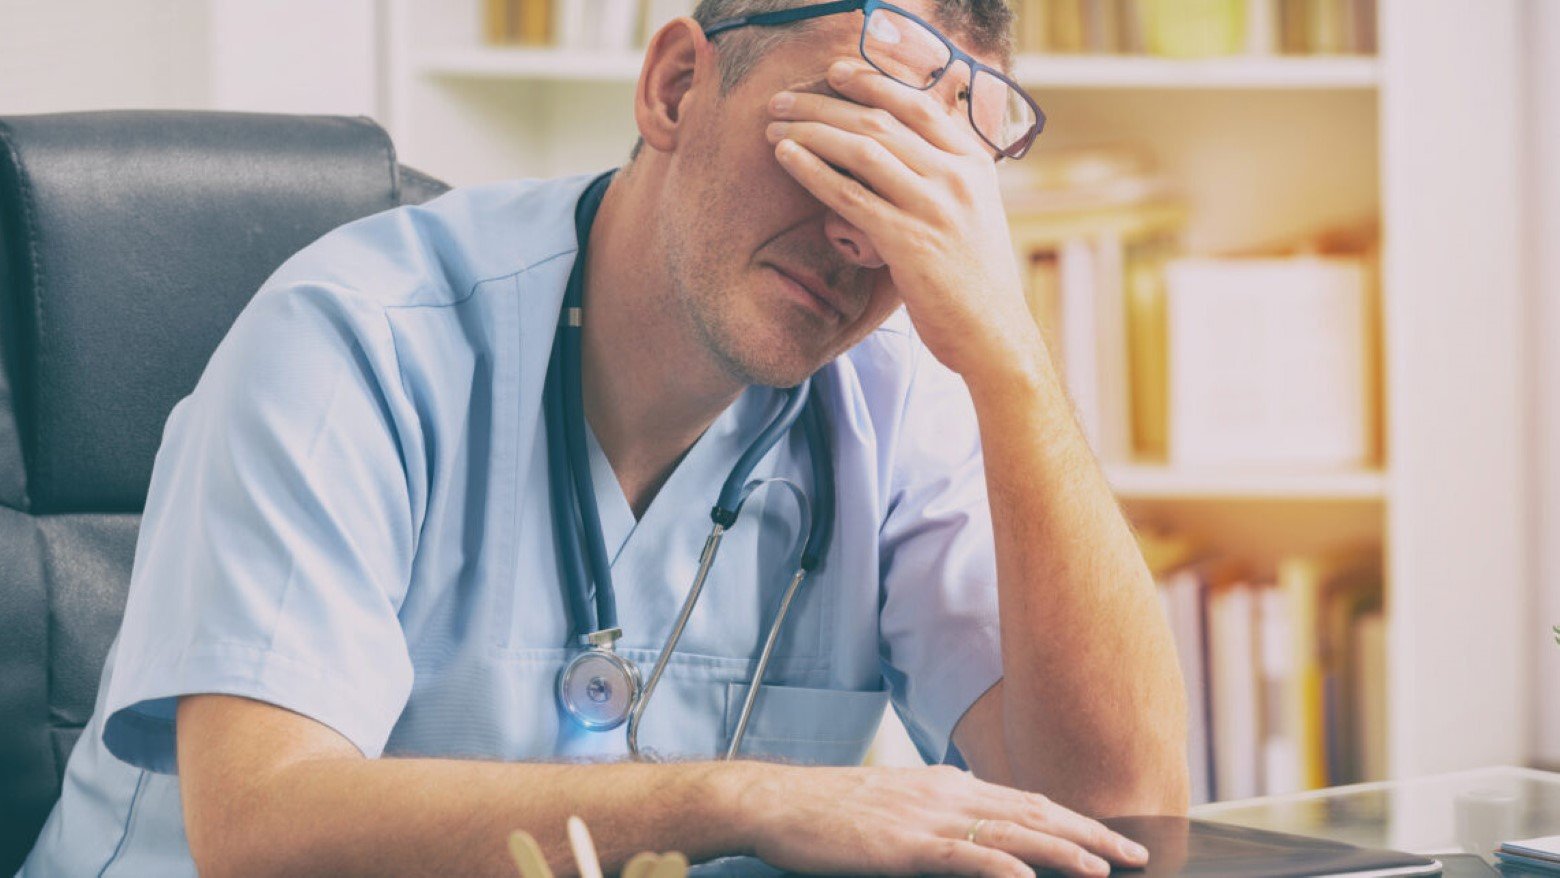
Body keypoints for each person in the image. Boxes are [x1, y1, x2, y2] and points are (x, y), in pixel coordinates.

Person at [20, 1, 1188, 876]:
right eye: (844, 143)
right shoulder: (357, 338)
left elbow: (1121, 812)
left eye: (919, 196)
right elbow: (261, 829)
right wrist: (744, 799)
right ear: (677, 86)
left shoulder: (897, 395)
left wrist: (1010, 358)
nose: (859, 239)